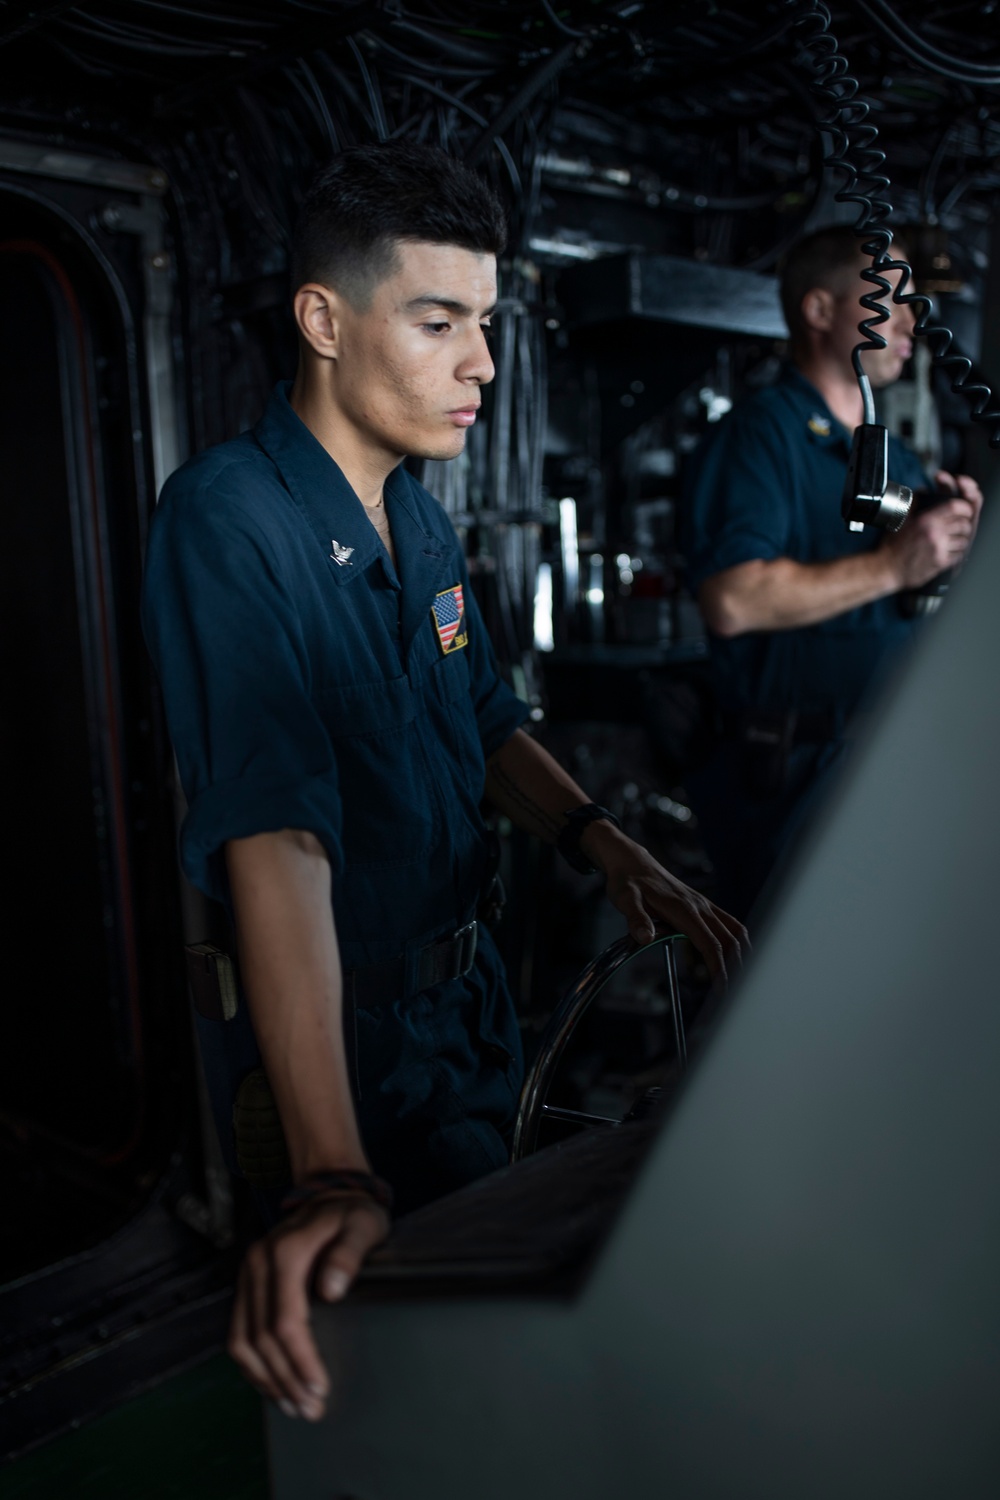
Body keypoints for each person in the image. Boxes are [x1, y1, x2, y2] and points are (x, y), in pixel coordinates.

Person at [142, 142, 748, 1422]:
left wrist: (606, 845)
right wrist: (327, 1172)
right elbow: (276, 833)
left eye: (485, 321)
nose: (482, 363)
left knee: (491, 1376)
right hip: (342, 1037)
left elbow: (477, 715)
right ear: (322, 319)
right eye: (438, 321)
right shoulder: (225, 522)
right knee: (380, 1391)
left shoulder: (415, 515)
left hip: (467, 1012)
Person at [682, 225, 982, 921]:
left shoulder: (894, 459)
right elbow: (734, 599)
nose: (912, 322)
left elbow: (907, 588)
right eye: (891, 301)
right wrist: (896, 563)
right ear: (819, 311)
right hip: (794, 773)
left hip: (890, 765)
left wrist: (949, 549)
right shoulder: (762, 437)